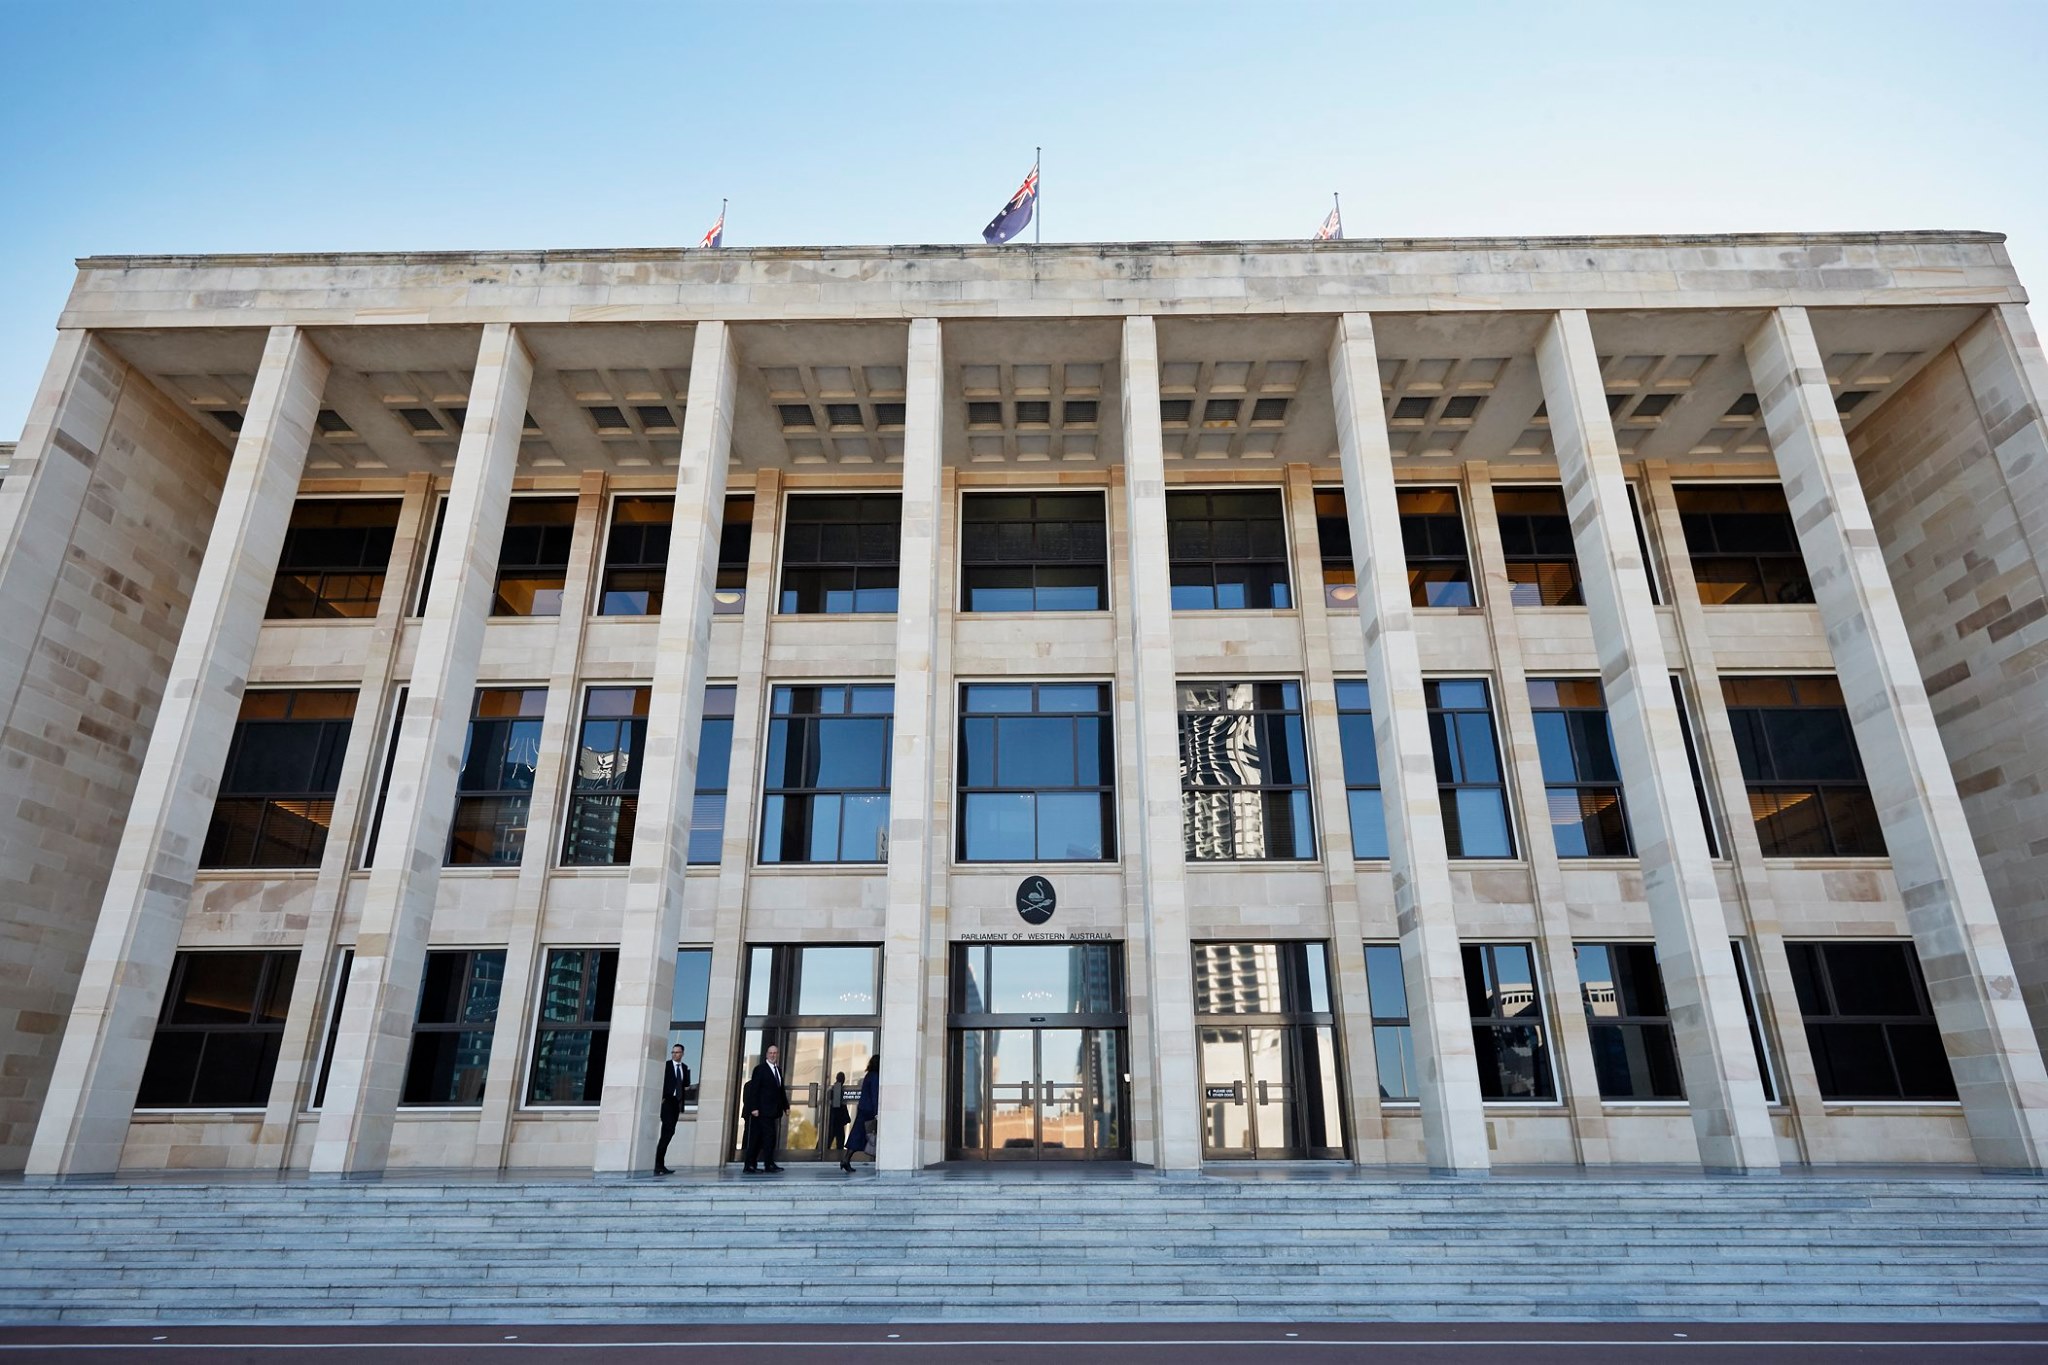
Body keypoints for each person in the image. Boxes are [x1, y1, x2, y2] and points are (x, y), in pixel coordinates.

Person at [740, 1043, 788, 1173]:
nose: (773, 1055)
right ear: (767, 1055)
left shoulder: (778, 1070)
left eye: (775, 1053)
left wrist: (786, 1106)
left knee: (763, 1138)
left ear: (777, 1055)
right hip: (760, 1111)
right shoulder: (760, 1069)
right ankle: (759, 1165)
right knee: (765, 1137)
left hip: (772, 1111)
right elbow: (754, 1089)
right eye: (771, 1053)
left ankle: (759, 1164)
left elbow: (780, 1090)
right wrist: (754, 1108)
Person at [654, 1043, 691, 1176]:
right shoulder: (667, 1066)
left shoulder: (684, 1068)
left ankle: (660, 1164)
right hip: (667, 1102)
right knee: (667, 1131)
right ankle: (658, 1164)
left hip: (677, 1103)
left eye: (677, 1052)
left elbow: (686, 1084)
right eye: (673, 1052)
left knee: (670, 1132)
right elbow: (659, 1081)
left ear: (682, 1053)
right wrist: (662, 1098)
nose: (675, 1054)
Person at [840, 1055, 879, 1173]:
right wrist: (877, 1112)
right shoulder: (875, 1077)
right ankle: (845, 1160)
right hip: (869, 1111)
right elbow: (875, 1095)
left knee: (858, 1136)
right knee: (863, 1136)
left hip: (864, 1109)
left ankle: (846, 1160)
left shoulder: (869, 1075)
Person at [825, 1070, 851, 1154]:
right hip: (836, 1119)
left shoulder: (833, 1089)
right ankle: (838, 1155)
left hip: (833, 1119)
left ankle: (822, 1152)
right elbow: (839, 1105)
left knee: (830, 1138)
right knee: (838, 1139)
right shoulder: (837, 1089)